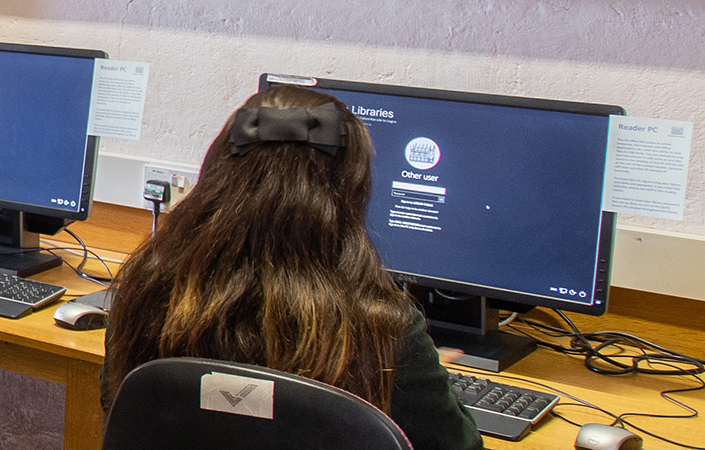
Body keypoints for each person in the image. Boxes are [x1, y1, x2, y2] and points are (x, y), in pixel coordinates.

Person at [102, 86, 484, 450]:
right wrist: (420, 376)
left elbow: (120, 407)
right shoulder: (382, 328)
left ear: (217, 175)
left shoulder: (147, 291)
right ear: (350, 195)